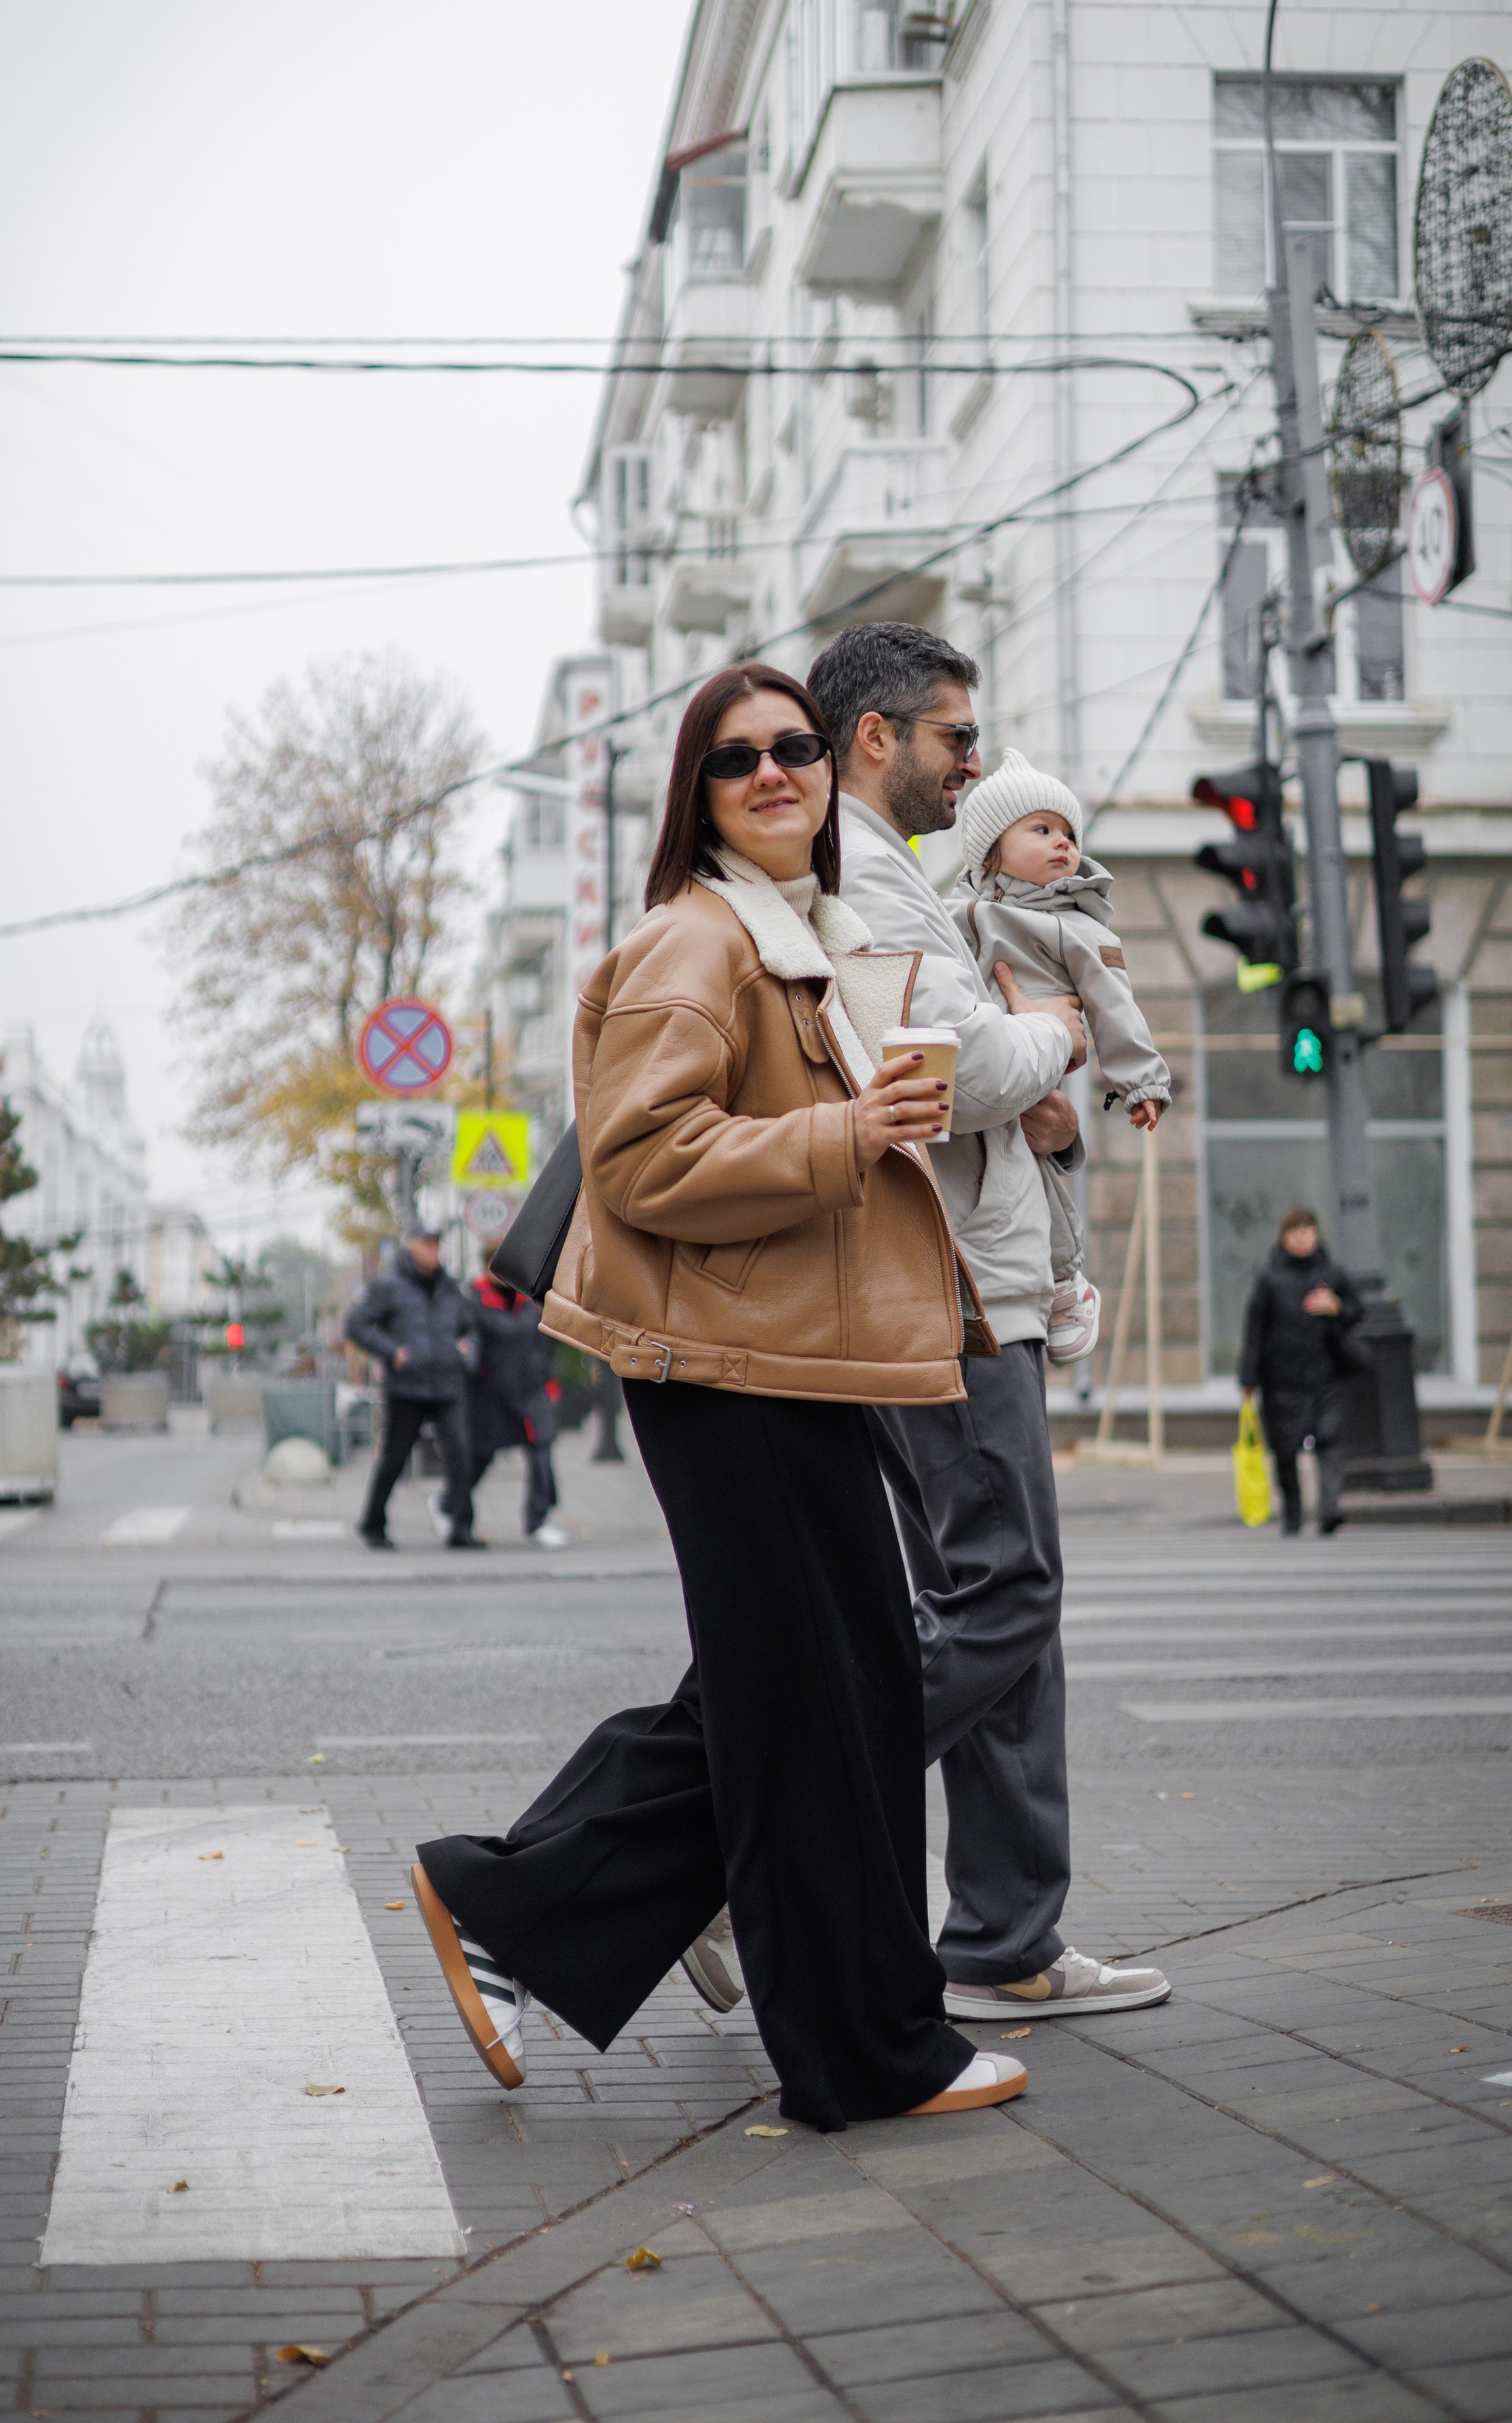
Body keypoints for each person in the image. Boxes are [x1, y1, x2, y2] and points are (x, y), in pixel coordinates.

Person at [407, 661, 1031, 2130]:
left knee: (828, 1695)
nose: (772, 773)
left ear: (829, 768)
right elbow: (640, 1161)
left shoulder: (802, 929)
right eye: (735, 757)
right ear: (695, 793)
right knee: (812, 1711)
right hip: (729, 1370)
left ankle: (512, 1902)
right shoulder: (698, 943)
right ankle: (858, 2055)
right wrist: (840, 1133)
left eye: (795, 748)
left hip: (793, 1359)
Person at [779, 620, 1170, 2023]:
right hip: (939, 1294)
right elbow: (948, 1074)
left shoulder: (899, 876)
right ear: (874, 736)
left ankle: (1004, 1939)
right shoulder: (868, 885)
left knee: (1001, 1614)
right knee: (1002, 1594)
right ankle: (741, 1844)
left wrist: (1033, 1055)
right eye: (956, 736)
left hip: (962, 1282)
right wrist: (1059, 1032)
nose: (975, 764)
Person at [953, 746, 1173, 1364]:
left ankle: (1067, 1281)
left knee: (1042, 1176)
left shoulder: (1075, 926)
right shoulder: (959, 910)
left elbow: (1114, 1006)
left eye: (1070, 833)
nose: (1063, 844)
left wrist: (1141, 1081)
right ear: (991, 849)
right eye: (1042, 830)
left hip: (1037, 1067)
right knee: (1003, 1175)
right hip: (986, 1058)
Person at [344, 1223, 483, 1550]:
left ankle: (460, 1527)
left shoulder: (449, 1286)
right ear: (410, 1246)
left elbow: (470, 1328)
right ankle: (373, 1524)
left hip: (448, 1383)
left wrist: (468, 1354)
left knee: (462, 1453)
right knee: (395, 1457)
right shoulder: (388, 1285)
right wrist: (393, 1352)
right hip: (408, 1386)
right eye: (427, 1244)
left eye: (437, 1244)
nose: (434, 1250)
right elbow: (355, 1324)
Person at [1240, 1207, 1364, 1537]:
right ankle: (1293, 1514)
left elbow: (1357, 1312)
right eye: (1296, 1231)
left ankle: (1329, 1510)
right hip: (1282, 1381)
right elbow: (1255, 1330)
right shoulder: (1269, 1278)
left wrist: (1336, 1306)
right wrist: (1249, 1379)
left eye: (1308, 1229)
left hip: (1326, 1376)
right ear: (1284, 1238)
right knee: (1285, 1449)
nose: (1303, 1236)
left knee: (1329, 1440)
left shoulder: (1332, 1273)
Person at [466, 1245, 567, 1548]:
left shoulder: (529, 1299)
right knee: (482, 1456)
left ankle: (538, 1521)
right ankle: (450, 1503)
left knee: (541, 1452)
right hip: (493, 1395)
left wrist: (550, 1380)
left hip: (532, 1390)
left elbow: (544, 1343)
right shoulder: (473, 1301)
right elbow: (471, 1349)